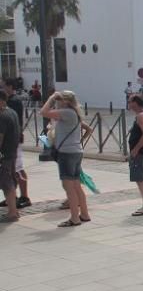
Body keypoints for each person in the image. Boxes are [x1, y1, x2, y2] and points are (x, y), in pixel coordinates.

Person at [41, 91, 92, 227]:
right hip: (75, 151)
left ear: (66, 101)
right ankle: (85, 214)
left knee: (69, 187)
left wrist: (51, 97)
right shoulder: (73, 112)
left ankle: (74, 218)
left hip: (67, 153)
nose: (58, 101)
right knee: (76, 185)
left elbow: (43, 112)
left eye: (60, 99)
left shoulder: (67, 112)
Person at [3, 79, 29, 208]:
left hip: (13, 139)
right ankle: (12, 196)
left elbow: (12, 121)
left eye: (3, 85)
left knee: (18, 168)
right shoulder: (13, 100)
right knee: (14, 169)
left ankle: (24, 196)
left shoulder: (13, 101)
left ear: (10, 86)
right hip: (14, 138)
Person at [0, 91, 20, 223]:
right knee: (9, 181)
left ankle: (13, 212)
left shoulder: (2, 116)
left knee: (6, 183)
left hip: (5, 154)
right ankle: (14, 210)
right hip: (12, 152)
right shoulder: (12, 112)